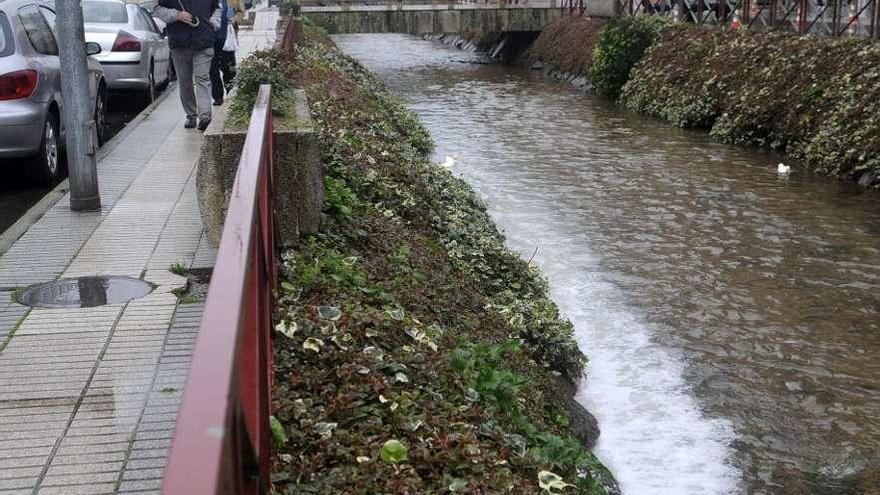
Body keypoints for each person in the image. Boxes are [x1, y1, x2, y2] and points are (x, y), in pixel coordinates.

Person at [154, 0, 223, 131]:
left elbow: (217, 8)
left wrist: (213, 23)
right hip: (179, 43)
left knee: (202, 78)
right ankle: (191, 115)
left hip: (204, 41)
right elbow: (157, 9)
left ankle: (205, 116)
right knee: (185, 81)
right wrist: (176, 15)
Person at [210, 0, 240, 106]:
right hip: (210, 39)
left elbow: (240, 10)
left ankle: (230, 94)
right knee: (213, 70)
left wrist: (234, 20)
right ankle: (218, 97)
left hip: (227, 39)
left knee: (228, 69)